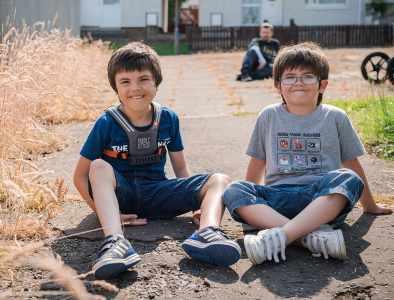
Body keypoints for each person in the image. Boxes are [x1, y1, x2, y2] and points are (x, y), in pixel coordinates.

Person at [73, 42, 241, 279]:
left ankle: (208, 232)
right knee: (98, 165)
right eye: (126, 81)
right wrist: (100, 211)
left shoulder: (168, 119)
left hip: (158, 194)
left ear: (156, 83)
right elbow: (80, 175)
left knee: (220, 180)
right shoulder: (107, 122)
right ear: (116, 88)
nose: (135, 87)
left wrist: (196, 206)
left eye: (143, 79)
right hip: (120, 197)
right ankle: (115, 244)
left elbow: (180, 166)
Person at [223, 42, 393, 265]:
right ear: (278, 86)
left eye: (308, 76)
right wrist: (252, 196)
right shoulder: (268, 116)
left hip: (322, 200)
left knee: (348, 178)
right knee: (234, 190)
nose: (299, 82)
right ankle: (309, 237)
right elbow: (258, 162)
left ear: (322, 85)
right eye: (290, 76)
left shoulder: (336, 117)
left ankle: (281, 237)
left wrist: (369, 205)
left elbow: (351, 163)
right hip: (277, 200)